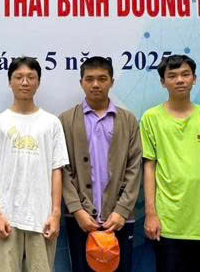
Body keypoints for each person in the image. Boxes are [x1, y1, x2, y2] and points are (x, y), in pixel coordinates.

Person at [140, 54, 200, 272]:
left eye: (185, 74)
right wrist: (151, 214)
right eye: (172, 76)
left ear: (194, 79)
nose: (179, 80)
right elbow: (149, 167)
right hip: (168, 220)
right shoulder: (150, 118)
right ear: (163, 82)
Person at [0, 57, 69, 272]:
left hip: (41, 219)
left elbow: (56, 170)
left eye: (31, 77)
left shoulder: (51, 123)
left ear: (38, 82)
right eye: (18, 77)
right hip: (6, 219)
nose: (25, 82)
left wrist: (55, 213)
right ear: (9, 82)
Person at [59, 56, 141, 272]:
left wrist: (122, 210)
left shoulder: (128, 120)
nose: (95, 84)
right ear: (81, 83)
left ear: (112, 82)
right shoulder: (66, 120)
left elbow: (134, 168)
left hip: (119, 219)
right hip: (80, 219)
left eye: (102, 79)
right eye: (90, 79)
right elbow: (62, 169)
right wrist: (77, 210)